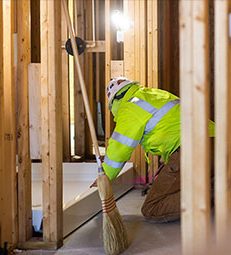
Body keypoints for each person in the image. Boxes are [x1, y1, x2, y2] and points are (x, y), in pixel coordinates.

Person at [92, 77, 215, 223]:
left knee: (152, 207)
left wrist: (104, 176)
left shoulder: (130, 108)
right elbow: (171, 128)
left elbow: (119, 149)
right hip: (215, 144)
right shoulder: (154, 95)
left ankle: (214, 196)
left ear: (114, 103)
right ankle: (216, 184)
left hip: (192, 151)